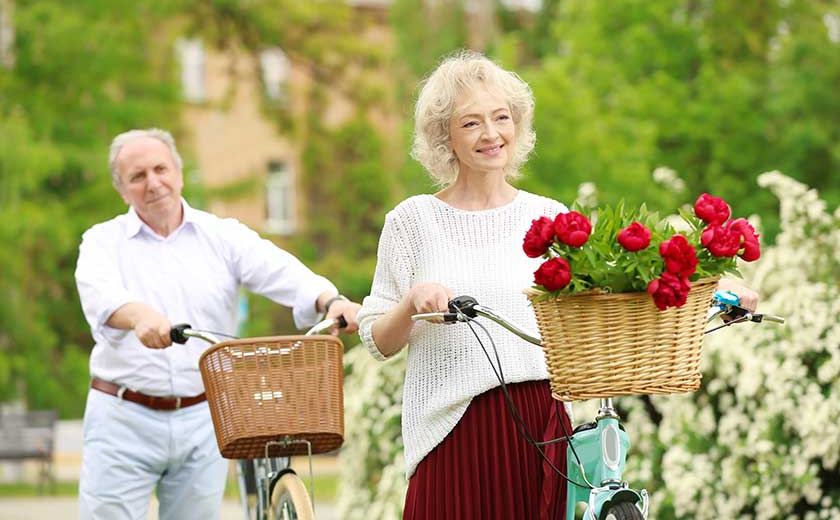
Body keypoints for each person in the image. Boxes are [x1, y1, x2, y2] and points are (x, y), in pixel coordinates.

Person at [357, 51, 759, 519]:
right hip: (452, 431)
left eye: (501, 117)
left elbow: (614, 289)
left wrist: (713, 293)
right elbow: (376, 340)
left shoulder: (547, 217)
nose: (491, 134)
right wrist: (411, 302)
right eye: (471, 123)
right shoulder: (412, 221)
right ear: (444, 136)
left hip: (540, 425)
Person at [74, 128, 360, 520]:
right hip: (123, 417)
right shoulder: (101, 242)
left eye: (161, 168)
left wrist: (330, 300)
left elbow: (280, 270)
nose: (153, 182)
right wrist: (140, 315)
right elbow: (101, 296)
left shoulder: (221, 236)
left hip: (201, 417)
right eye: (137, 176)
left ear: (179, 173)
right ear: (122, 190)